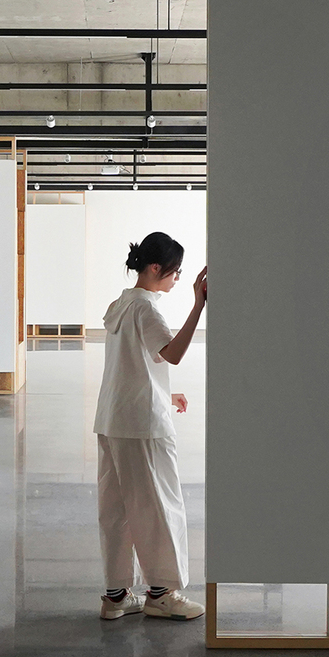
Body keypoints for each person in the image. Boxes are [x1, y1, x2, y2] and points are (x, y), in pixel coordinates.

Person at [93, 230, 208, 620]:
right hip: (142, 425)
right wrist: (199, 305)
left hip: (112, 419)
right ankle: (161, 594)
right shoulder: (147, 309)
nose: (177, 279)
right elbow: (171, 354)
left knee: (117, 510)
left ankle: (115, 596)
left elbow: (132, 363)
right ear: (155, 268)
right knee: (159, 507)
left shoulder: (121, 304)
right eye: (175, 272)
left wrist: (166, 394)